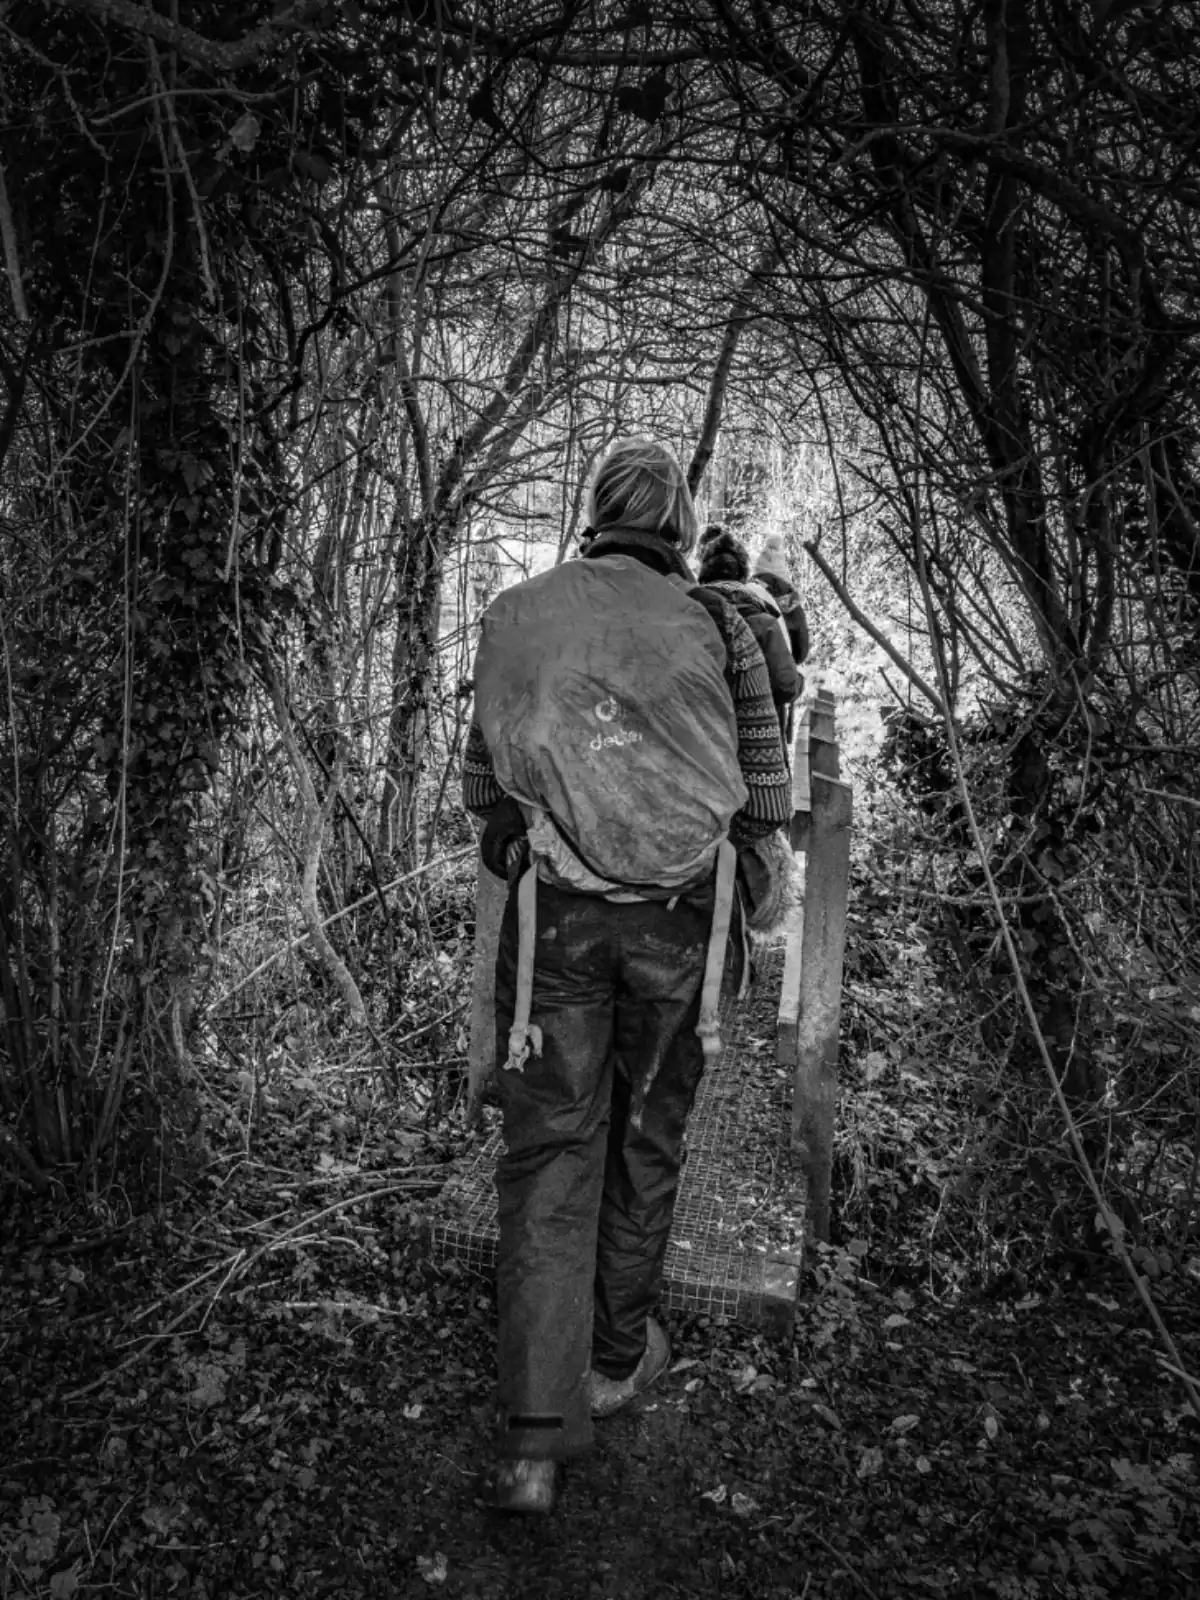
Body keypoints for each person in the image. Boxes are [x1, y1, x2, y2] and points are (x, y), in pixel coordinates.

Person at [462, 438, 791, 1514]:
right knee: (645, 1134)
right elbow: (766, 801)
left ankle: (531, 1443)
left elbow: (487, 792)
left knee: (550, 1144)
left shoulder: (519, 614)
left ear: (594, 515)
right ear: (680, 527)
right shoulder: (727, 625)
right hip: (681, 933)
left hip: (555, 925)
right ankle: (612, 1359)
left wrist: (539, 834)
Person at [698, 525, 800, 741]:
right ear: (744, 574)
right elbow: (786, 685)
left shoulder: (690, 614)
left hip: (704, 742)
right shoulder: (764, 621)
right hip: (758, 742)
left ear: (703, 575)